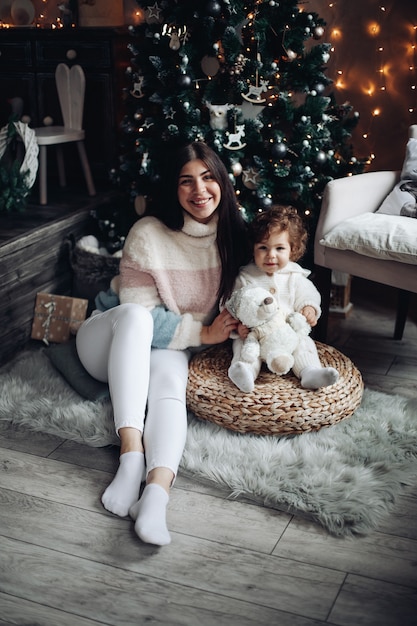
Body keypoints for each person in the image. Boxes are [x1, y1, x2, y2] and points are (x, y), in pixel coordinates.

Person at [76, 142, 249, 546]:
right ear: (173, 189)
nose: (199, 190)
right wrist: (204, 335)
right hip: (107, 340)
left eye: (208, 177)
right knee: (137, 317)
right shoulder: (149, 233)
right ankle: (131, 455)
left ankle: (155, 497)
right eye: (186, 180)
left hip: (171, 349)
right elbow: (140, 314)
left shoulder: (236, 239)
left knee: (172, 384)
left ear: (222, 181)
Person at [227, 204, 339, 393]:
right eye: (263, 247)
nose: (271, 255)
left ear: (292, 250)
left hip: (288, 335)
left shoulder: (294, 276)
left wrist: (309, 308)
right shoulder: (246, 277)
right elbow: (233, 303)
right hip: (256, 335)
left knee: (304, 344)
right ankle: (244, 372)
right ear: (253, 249)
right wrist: (239, 326)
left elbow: (309, 295)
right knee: (243, 347)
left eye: (279, 248)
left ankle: (309, 372)